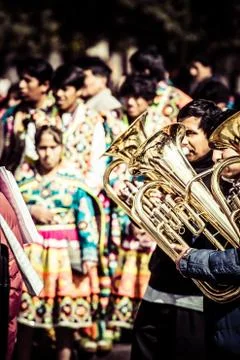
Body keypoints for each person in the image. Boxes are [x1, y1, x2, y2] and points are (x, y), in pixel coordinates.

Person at [130, 99, 224, 360]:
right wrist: (147, 211)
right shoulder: (169, 169)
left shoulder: (219, 177)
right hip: (159, 284)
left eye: (192, 133)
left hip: (194, 296)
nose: (183, 141)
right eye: (180, 132)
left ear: (211, 136)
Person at [15, 125, 102, 360]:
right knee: (26, 321)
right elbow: (11, 212)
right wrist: (31, 210)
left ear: (62, 148)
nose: (47, 153)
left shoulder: (74, 180)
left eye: (53, 147)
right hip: (33, 257)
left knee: (66, 322)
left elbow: (85, 220)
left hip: (65, 256)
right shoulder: (23, 179)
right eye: (42, 147)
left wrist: (89, 255)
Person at [171, 109, 240, 358]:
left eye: (223, 148)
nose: (216, 157)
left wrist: (193, 260)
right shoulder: (231, 191)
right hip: (224, 323)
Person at [0, 57, 54, 172]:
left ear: (45, 85)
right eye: (21, 79)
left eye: (27, 81)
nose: (21, 85)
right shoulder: (11, 115)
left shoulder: (57, 115)